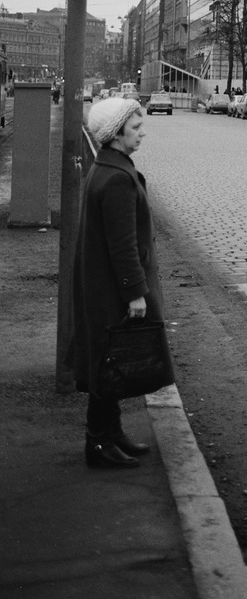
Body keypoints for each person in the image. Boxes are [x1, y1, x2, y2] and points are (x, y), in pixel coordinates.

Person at [70, 97, 173, 469]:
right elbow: (123, 245)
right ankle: (98, 442)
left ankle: (111, 434)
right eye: (136, 127)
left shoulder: (109, 167)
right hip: (113, 288)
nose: (142, 133)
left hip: (102, 284)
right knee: (107, 360)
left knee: (108, 358)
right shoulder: (116, 179)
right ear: (115, 134)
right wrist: (135, 293)